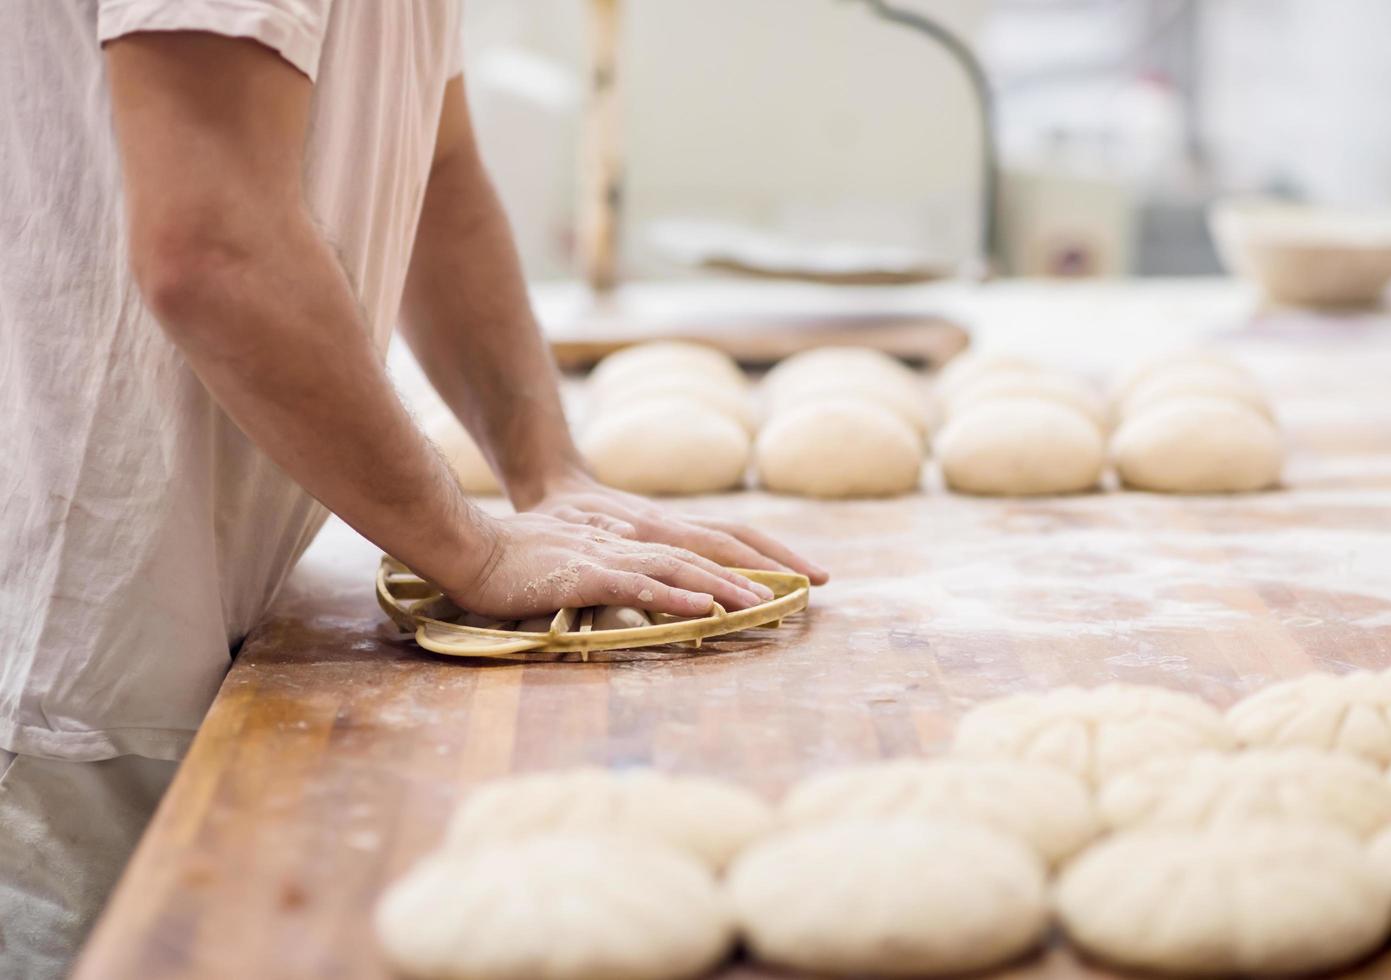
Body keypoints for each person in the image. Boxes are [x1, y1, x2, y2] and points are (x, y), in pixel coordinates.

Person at [0, 2, 826, 975]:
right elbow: (213, 248)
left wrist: (546, 474)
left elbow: (436, 174)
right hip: (65, 664)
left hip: (189, 610)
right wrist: (472, 548)